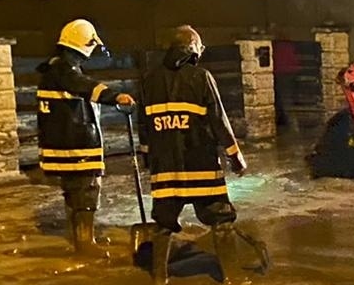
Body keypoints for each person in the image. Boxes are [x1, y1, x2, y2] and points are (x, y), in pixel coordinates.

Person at [138, 26, 247, 243]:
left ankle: (159, 275)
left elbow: (144, 125)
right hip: (201, 165)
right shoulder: (202, 77)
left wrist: (148, 159)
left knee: (163, 223)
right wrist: (235, 155)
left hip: (165, 170)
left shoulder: (150, 80)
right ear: (192, 49)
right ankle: (231, 275)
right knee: (221, 217)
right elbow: (218, 120)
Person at [37, 19, 135, 255]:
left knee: (75, 192)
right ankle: (85, 243)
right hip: (76, 145)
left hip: (63, 144)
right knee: (86, 192)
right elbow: (83, 86)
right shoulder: (65, 71)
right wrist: (115, 96)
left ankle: (80, 238)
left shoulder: (53, 68)